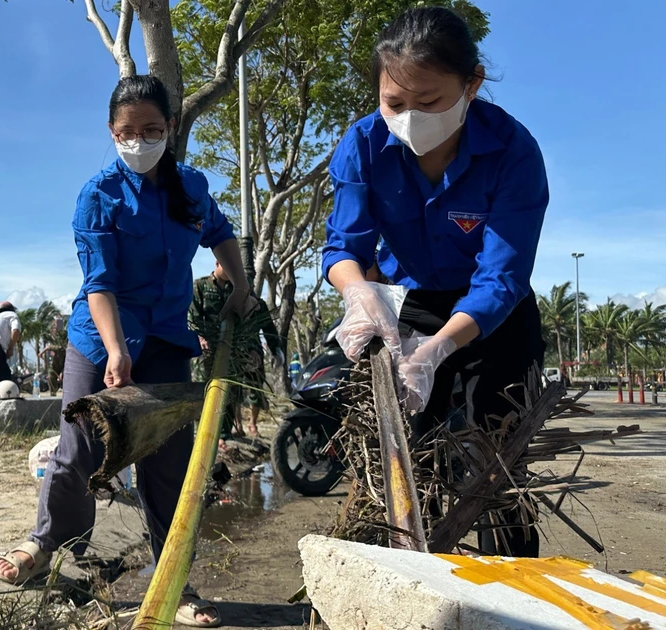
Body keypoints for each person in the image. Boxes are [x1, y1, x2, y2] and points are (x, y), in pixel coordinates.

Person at [0, 75, 255, 628]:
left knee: (169, 461)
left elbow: (220, 232)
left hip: (166, 341)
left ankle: (175, 578)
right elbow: (100, 283)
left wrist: (239, 284)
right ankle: (46, 544)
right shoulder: (98, 195)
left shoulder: (192, 186)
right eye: (126, 132)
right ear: (112, 133)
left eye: (151, 129)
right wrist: (114, 350)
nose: (139, 141)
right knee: (79, 447)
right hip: (99, 338)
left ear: (170, 128)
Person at [322, 7, 547, 558]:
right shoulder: (362, 144)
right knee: (408, 460)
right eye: (395, 103)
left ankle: (511, 579)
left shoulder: (513, 150)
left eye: (428, 102)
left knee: (498, 466)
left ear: (472, 84)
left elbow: (502, 276)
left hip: (494, 319)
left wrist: (440, 348)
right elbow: (344, 248)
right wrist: (358, 293)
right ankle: (413, 572)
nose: (410, 118)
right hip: (413, 306)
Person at [189, 261, 280, 439]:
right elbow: (193, 316)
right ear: (217, 262)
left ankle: (223, 435)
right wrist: (200, 338)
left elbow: (249, 322)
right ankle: (203, 435)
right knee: (204, 391)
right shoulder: (200, 286)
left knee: (230, 393)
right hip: (207, 352)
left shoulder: (238, 290)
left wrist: (253, 348)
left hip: (232, 352)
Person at [43, 314, 67, 398]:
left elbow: (50, 347)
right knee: (50, 375)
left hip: (65, 362)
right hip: (56, 364)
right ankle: (53, 393)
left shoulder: (62, 338)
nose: (53, 329)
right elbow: (49, 347)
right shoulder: (52, 339)